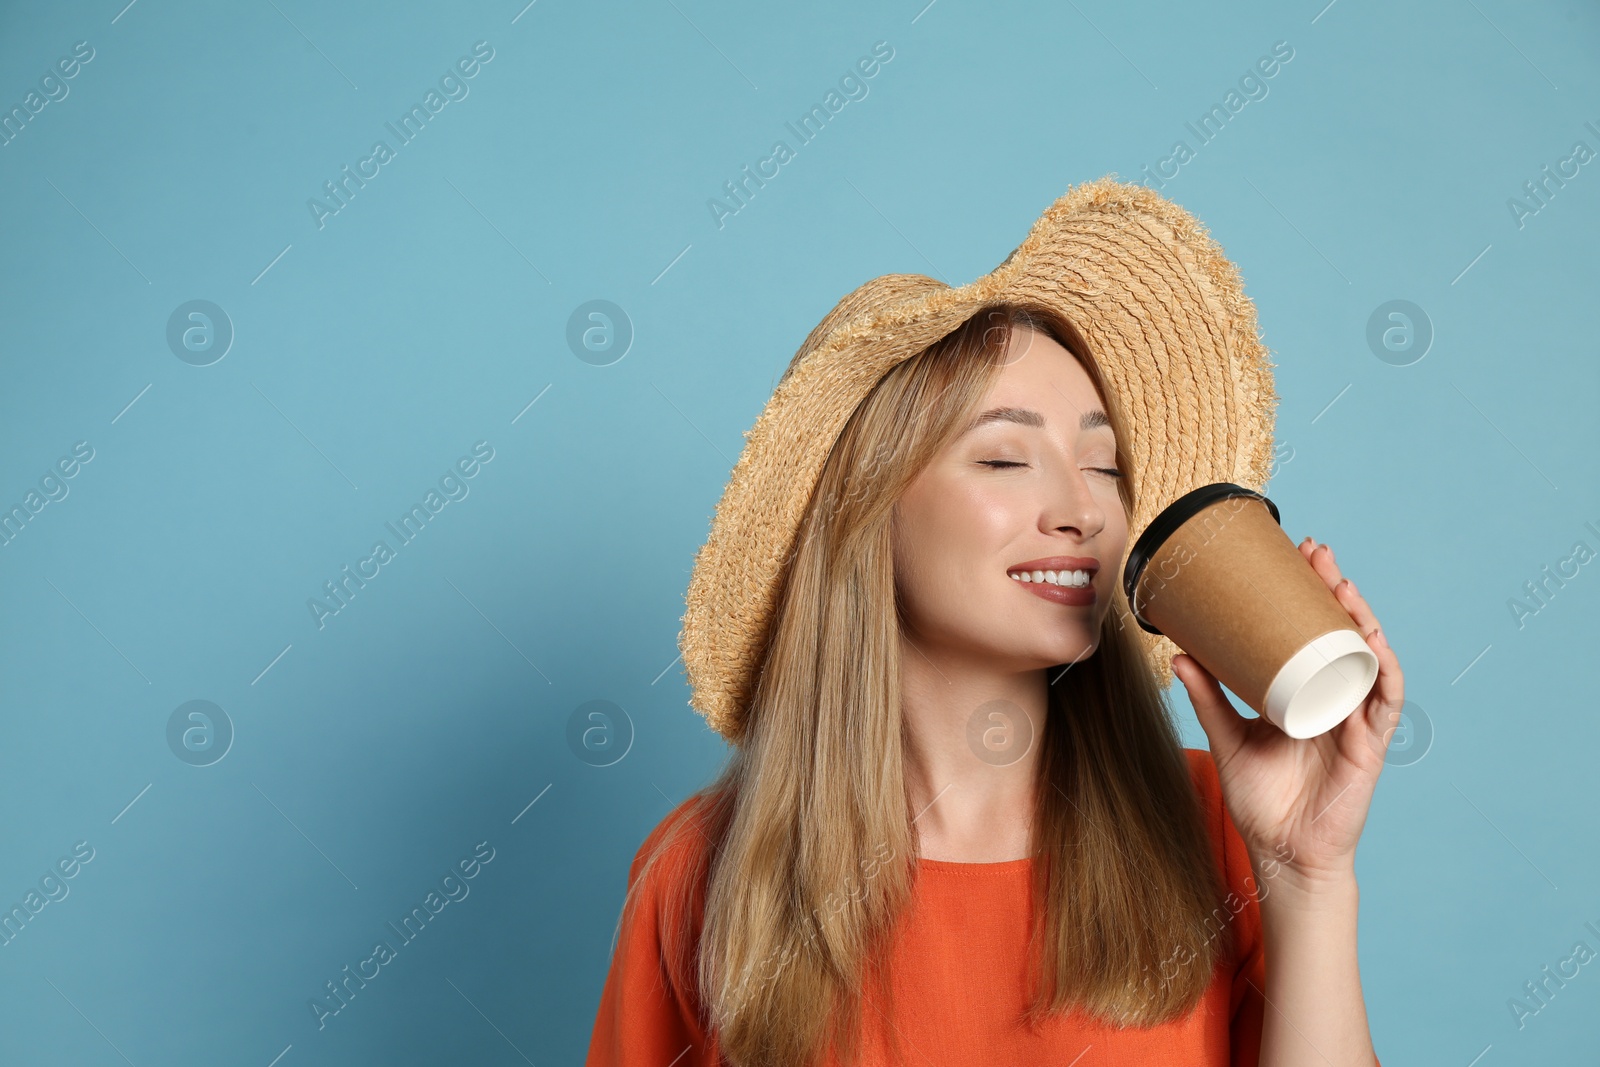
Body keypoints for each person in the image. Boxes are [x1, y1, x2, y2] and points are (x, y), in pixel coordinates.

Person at [586, 177, 1398, 1067]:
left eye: (1105, 464)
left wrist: (1307, 876)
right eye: (1006, 457)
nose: (1083, 511)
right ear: (868, 512)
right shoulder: (701, 877)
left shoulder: (1223, 826)